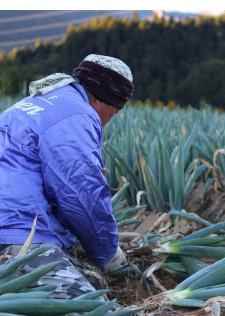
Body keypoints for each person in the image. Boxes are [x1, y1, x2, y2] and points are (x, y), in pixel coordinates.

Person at [0, 54, 135, 299]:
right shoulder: (77, 115)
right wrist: (108, 252)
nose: (111, 118)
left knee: (91, 280)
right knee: (93, 311)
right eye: (116, 110)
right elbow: (81, 195)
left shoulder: (36, 103)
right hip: (16, 237)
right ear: (105, 100)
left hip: (10, 226)